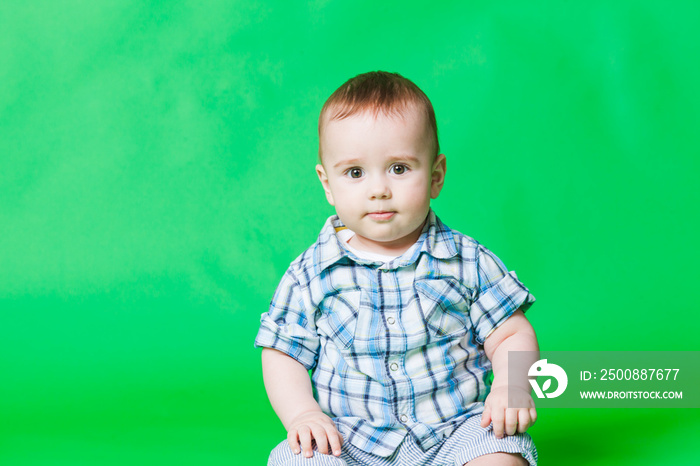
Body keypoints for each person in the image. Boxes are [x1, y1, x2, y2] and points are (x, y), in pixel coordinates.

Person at [255, 71, 539, 466]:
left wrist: (510, 385)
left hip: (455, 430)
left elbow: (510, 333)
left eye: (400, 168)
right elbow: (283, 353)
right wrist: (303, 413)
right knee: (300, 459)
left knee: (500, 454)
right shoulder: (310, 274)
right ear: (327, 184)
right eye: (355, 173)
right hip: (350, 439)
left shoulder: (467, 261)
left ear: (436, 175)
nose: (378, 189)